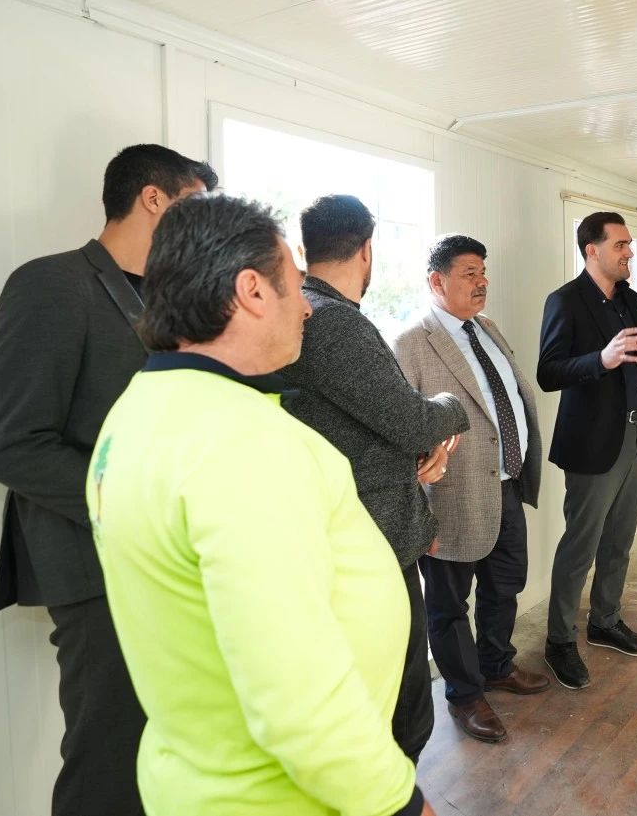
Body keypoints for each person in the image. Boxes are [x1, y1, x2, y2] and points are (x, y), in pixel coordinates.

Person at [86, 192, 434, 816]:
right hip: (281, 797)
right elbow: (299, 700)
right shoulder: (239, 443)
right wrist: (399, 802)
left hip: (199, 776)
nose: (306, 307)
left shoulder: (138, 412)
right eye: (295, 287)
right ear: (251, 291)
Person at [0, 144, 214, 816]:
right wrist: (144, 501)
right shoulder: (50, 283)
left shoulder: (174, 306)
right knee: (108, 769)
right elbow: (11, 445)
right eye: (195, 205)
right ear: (153, 198)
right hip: (95, 570)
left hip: (174, 562)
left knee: (166, 758)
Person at [279, 194, 468, 762]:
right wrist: (450, 405)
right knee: (402, 711)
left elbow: (353, 424)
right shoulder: (333, 321)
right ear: (367, 250)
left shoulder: (310, 312)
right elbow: (411, 421)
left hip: (354, 529)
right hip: (372, 540)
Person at [537, 211, 637, 689]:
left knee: (619, 541)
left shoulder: (629, 297)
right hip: (592, 443)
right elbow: (549, 372)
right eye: (621, 245)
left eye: (630, 244)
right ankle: (559, 641)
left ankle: (604, 621)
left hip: (636, 435)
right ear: (592, 251)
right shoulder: (565, 301)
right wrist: (600, 359)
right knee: (580, 546)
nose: (629, 252)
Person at [395, 234, 550, 743]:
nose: (482, 282)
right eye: (469, 273)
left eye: (483, 272)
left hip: (505, 484)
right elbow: (402, 429)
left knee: (505, 585)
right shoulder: (411, 343)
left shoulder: (487, 328)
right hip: (450, 498)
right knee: (448, 605)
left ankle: (496, 666)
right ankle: (465, 695)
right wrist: (418, 508)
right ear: (436, 281)